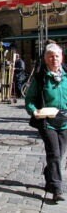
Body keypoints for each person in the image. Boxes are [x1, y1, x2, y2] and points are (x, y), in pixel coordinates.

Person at [25, 43, 67, 202]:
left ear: (61, 57)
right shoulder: (40, 78)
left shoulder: (66, 75)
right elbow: (29, 100)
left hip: (65, 121)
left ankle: (49, 174)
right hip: (47, 122)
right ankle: (57, 188)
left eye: (57, 55)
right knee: (54, 154)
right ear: (45, 59)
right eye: (50, 56)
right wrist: (34, 111)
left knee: (59, 154)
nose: (54, 58)